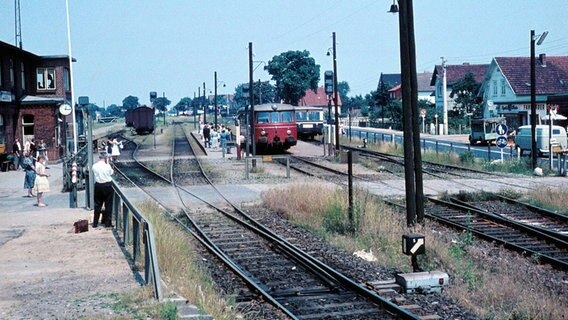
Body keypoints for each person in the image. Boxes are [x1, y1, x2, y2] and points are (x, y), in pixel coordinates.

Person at [92, 152, 114, 228]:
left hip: (98, 185)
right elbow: (111, 173)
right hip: (107, 185)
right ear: (105, 158)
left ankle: (95, 223)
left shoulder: (94, 166)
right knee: (108, 205)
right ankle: (107, 223)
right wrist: (108, 163)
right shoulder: (107, 166)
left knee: (97, 204)